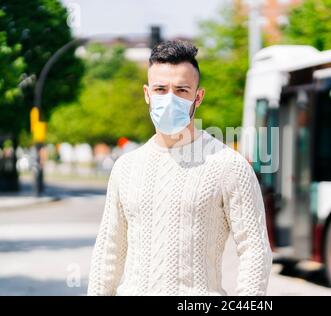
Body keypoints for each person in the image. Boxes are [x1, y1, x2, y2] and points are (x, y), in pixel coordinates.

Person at [87, 40, 273, 296]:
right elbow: (110, 250)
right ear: (147, 93)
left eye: (182, 90)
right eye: (160, 89)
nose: (170, 98)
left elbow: (255, 249)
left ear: (198, 96)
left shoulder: (229, 166)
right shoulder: (126, 168)